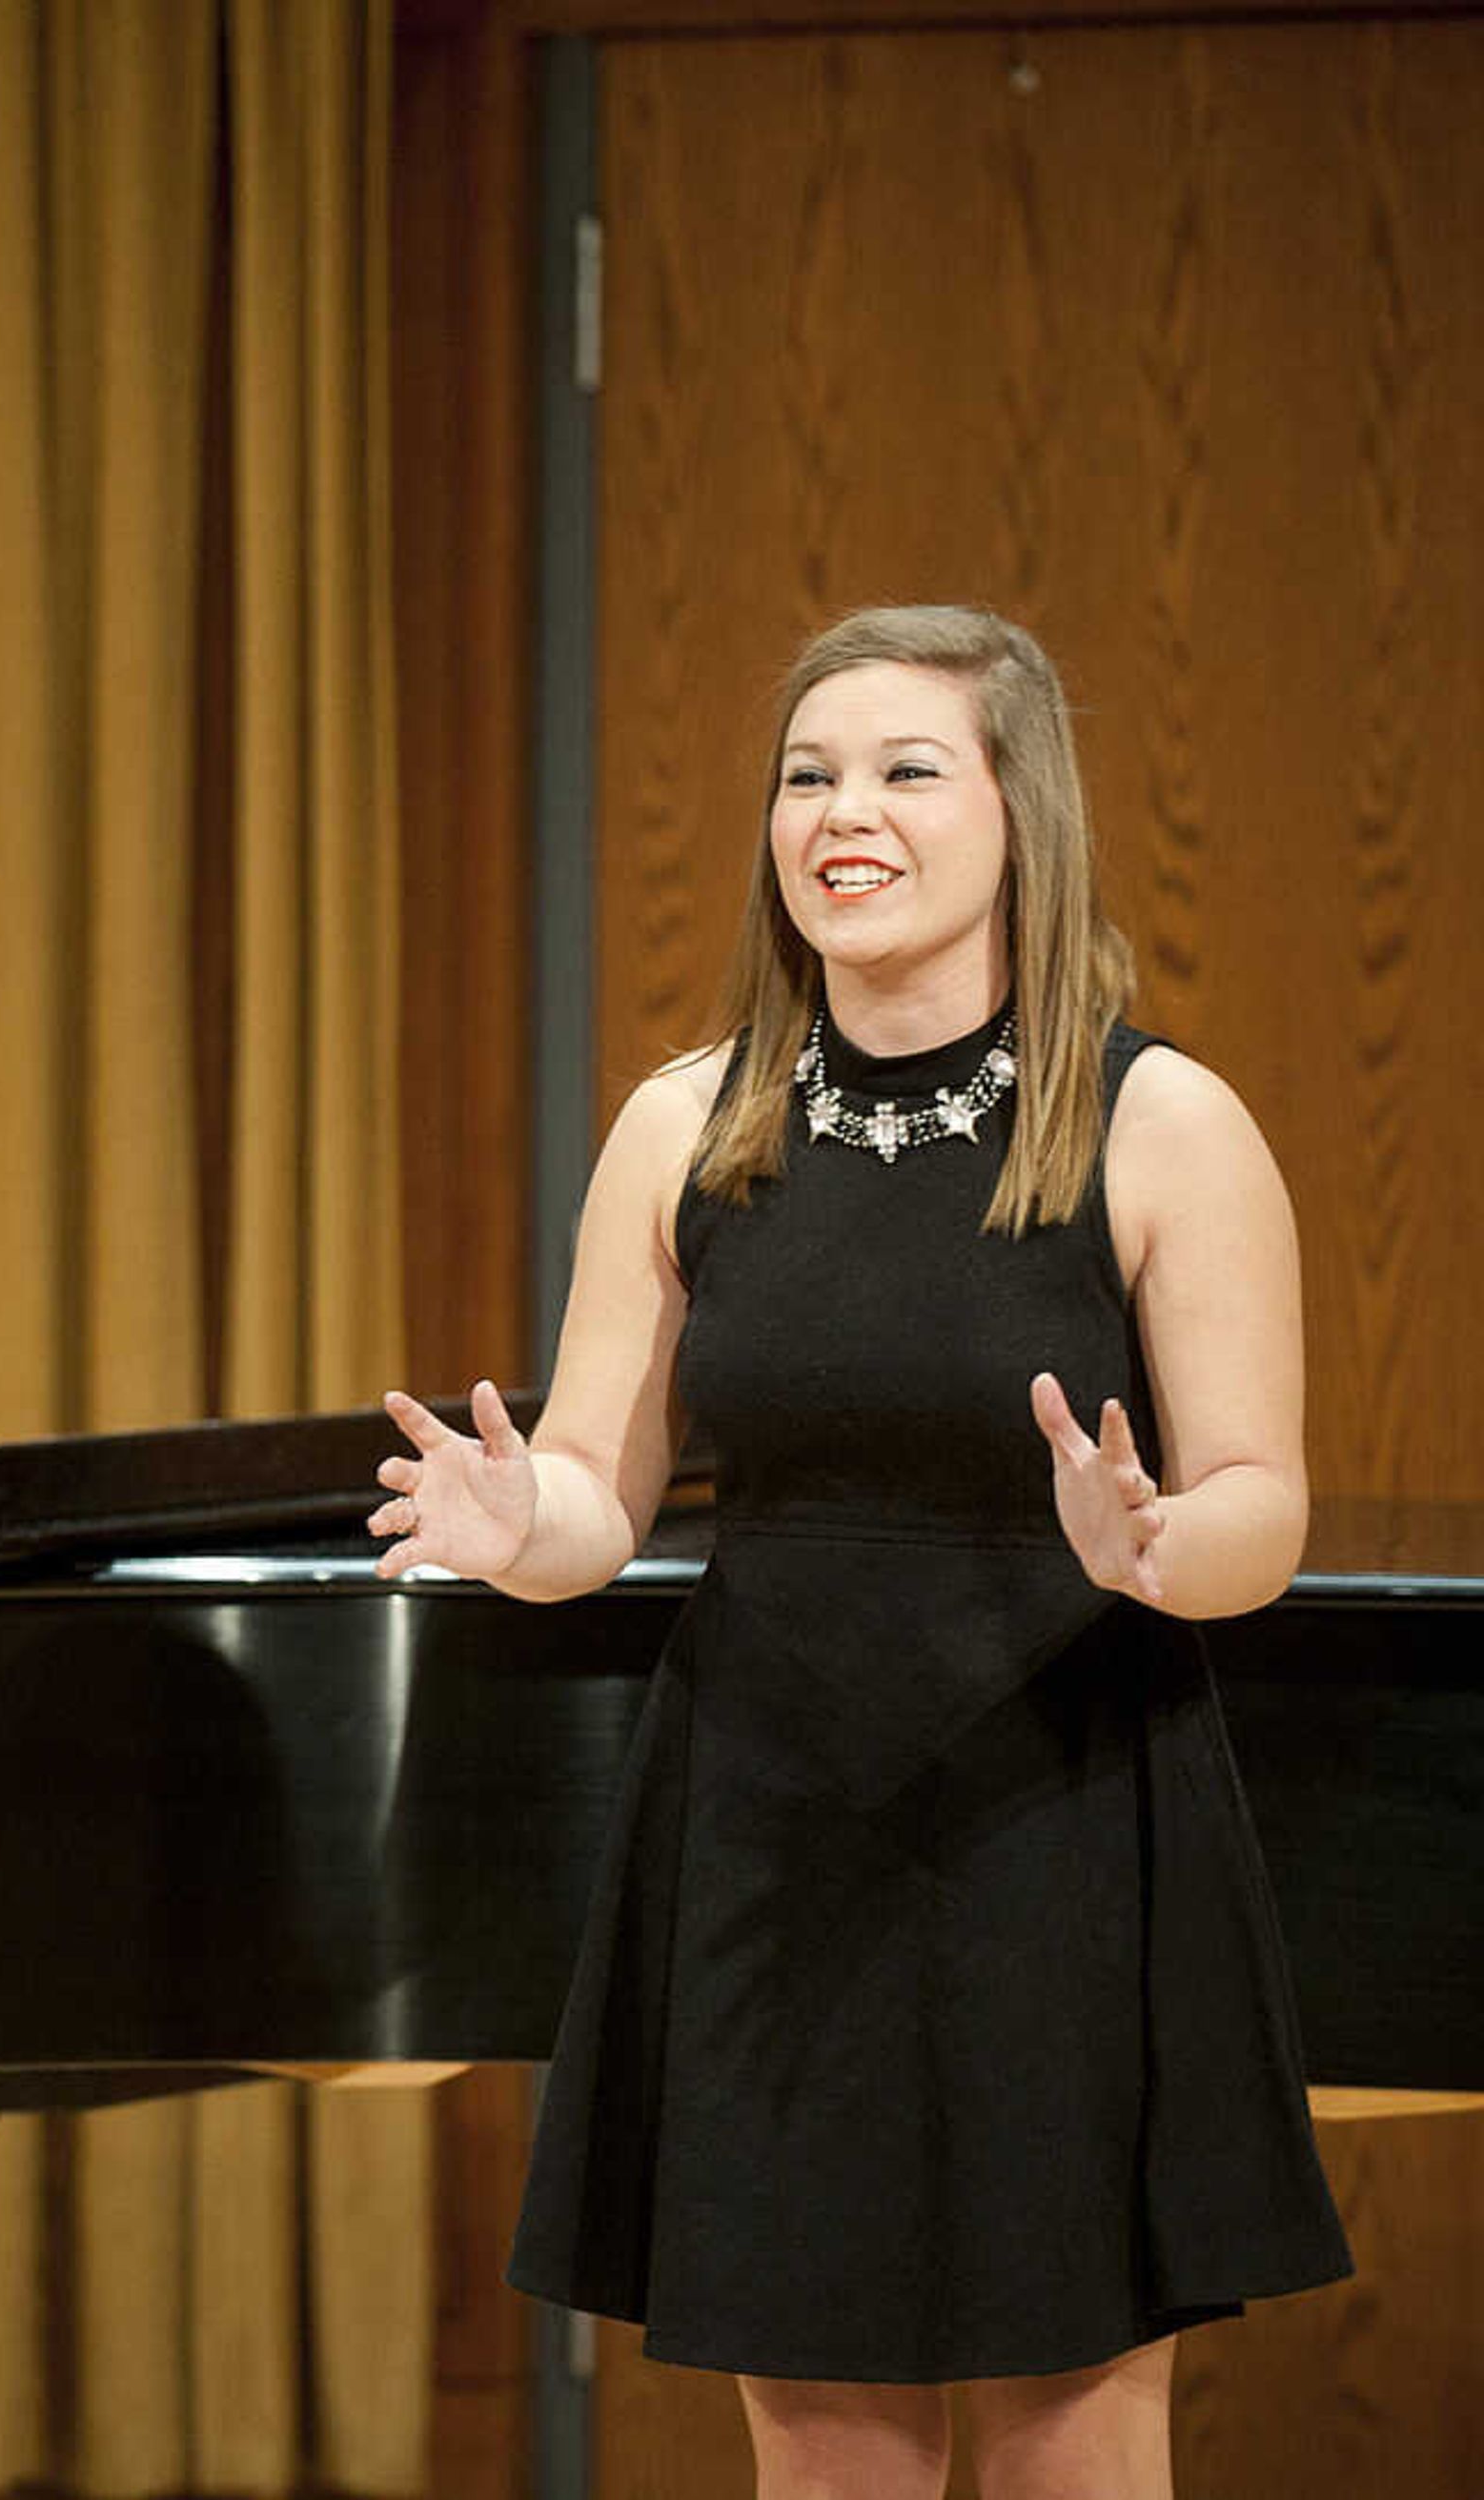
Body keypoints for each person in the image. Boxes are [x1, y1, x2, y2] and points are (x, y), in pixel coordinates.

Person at [370, 609, 1348, 2498]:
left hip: (1065, 1826)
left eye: (908, 768)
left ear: (1015, 814)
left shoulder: (1157, 1122)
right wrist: (519, 1530)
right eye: (810, 774)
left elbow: (1260, 1513)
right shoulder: (690, 1118)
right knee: (825, 2457)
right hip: (771, 1834)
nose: (845, 811)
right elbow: (593, 1488)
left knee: (1079, 2442)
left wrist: (1152, 1544)